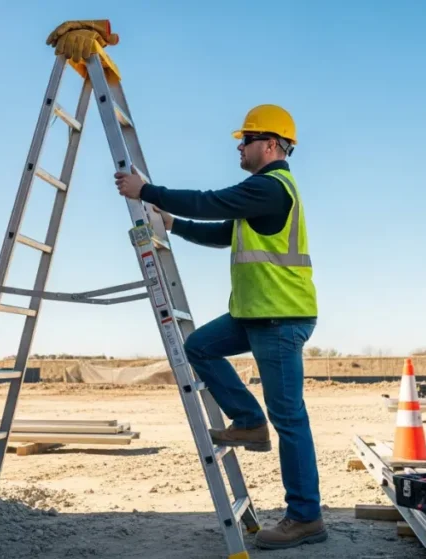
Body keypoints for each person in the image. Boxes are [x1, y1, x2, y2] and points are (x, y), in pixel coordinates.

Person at [113, 104, 325, 551]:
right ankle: (248, 421)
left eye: (245, 140)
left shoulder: (271, 187)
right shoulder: (261, 195)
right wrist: (173, 223)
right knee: (199, 347)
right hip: (255, 314)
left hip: (280, 318)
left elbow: (213, 201)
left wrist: (147, 189)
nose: (239, 146)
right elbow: (226, 230)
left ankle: (306, 518)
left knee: (289, 418)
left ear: (270, 144)